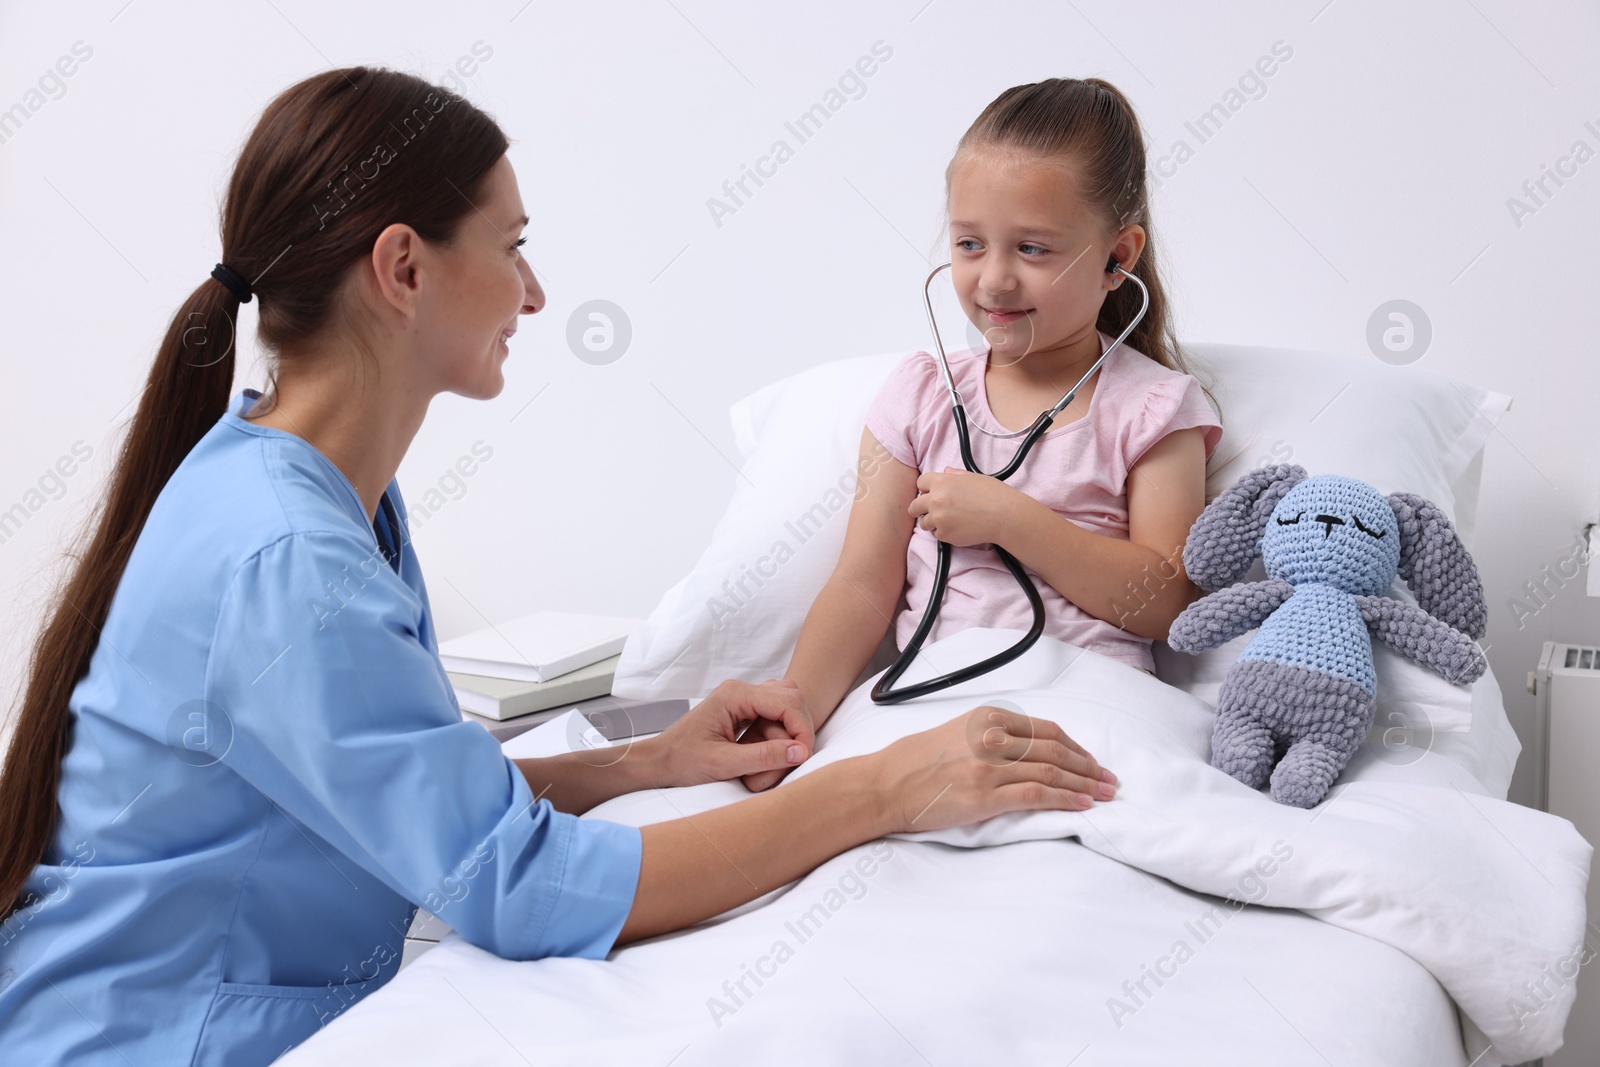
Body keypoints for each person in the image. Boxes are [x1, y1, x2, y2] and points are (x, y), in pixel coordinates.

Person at [0, 67, 1119, 1066]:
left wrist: (650, 762)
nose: (534, 295)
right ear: (403, 268)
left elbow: (407, 810)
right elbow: (515, 886)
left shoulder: (311, 491)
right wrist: (883, 785)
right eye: (513, 245)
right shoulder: (289, 554)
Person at [739, 78, 1223, 792]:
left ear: (1117, 258)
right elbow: (862, 585)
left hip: (1088, 701)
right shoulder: (922, 393)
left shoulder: (1155, 407)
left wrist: (1010, 518)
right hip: (939, 699)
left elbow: (1163, 604)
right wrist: (795, 710)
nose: (993, 279)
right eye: (969, 243)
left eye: (1032, 248)